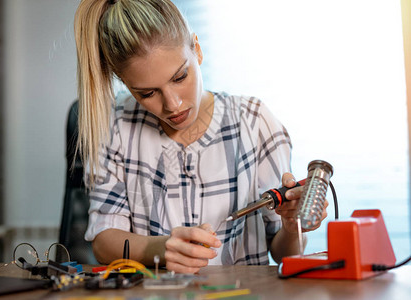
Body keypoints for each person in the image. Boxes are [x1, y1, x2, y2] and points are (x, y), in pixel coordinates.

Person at [74, 0, 328, 274]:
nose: (172, 105)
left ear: (197, 49)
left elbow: (283, 254)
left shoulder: (255, 122)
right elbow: (102, 243)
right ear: (125, 84)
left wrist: (292, 227)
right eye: (147, 93)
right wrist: (160, 248)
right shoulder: (117, 124)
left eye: (180, 77)